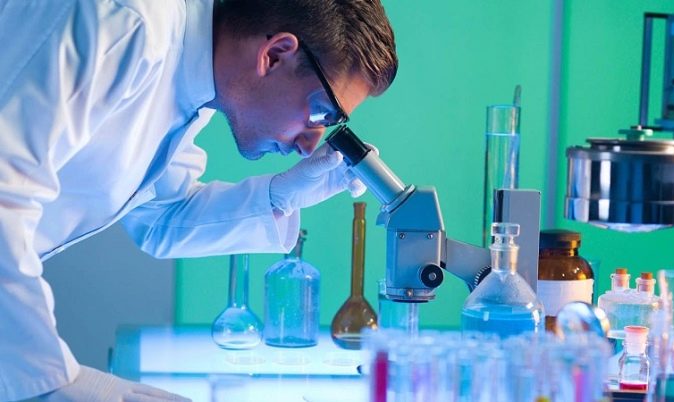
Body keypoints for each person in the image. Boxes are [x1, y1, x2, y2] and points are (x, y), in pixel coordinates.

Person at [0, 0, 397, 400]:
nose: (310, 145)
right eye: (322, 113)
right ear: (275, 55)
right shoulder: (128, 22)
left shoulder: (191, 81)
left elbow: (160, 219)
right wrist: (53, 382)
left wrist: (280, 196)